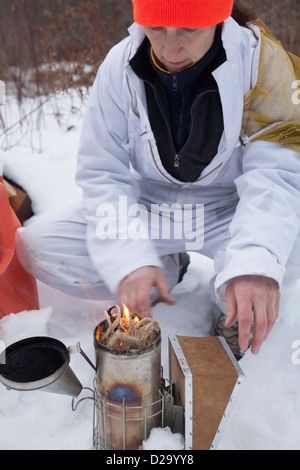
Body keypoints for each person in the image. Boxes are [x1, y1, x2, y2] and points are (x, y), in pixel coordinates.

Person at [16, 0, 300, 359]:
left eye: (188, 30)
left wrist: (255, 261)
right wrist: (128, 256)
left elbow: (277, 176)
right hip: (151, 210)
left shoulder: (265, 65)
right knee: (37, 246)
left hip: (228, 212)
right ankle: (162, 264)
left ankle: (232, 299)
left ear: (218, 18)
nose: (169, 49)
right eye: (156, 28)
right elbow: (104, 172)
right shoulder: (119, 67)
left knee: (283, 255)